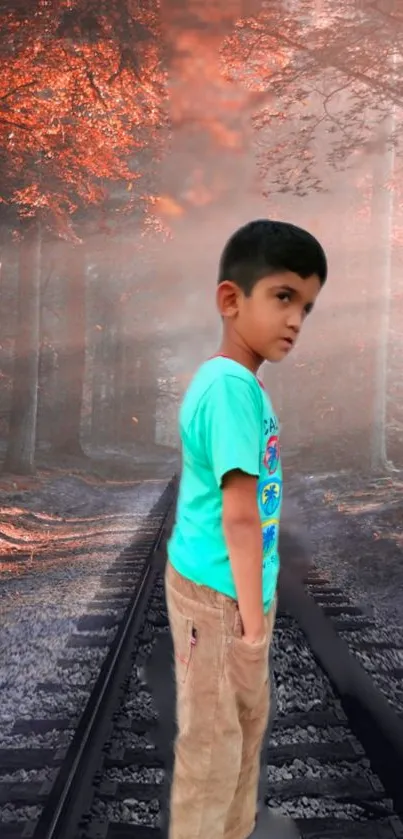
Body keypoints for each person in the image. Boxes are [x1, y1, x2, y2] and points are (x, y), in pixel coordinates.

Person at [165, 219, 328, 839]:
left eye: (306, 306)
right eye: (283, 297)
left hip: (226, 591)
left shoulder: (237, 383)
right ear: (232, 300)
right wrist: (254, 626)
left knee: (236, 740)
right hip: (221, 598)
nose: (296, 320)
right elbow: (239, 512)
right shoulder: (232, 388)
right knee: (214, 752)